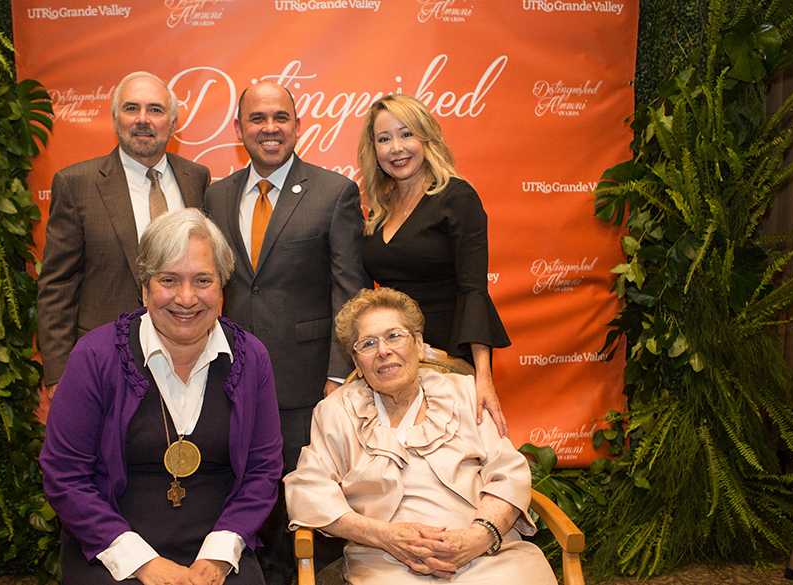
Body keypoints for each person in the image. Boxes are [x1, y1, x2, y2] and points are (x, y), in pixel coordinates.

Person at [40, 209, 283, 585]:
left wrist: (219, 555)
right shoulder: (95, 356)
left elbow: (263, 470)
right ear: (144, 286)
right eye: (169, 280)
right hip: (112, 549)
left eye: (203, 280)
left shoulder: (252, 358)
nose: (186, 298)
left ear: (222, 289)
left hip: (218, 547)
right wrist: (143, 563)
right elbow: (65, 475)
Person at [204, 81, 373, 585]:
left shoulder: (334, 191)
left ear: (298, 125)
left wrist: (339, 375)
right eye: (257, 119)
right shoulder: (216, 194)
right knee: (241, 498)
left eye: (281, 117)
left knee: (308, 506)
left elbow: (350, 290)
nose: (269, 128)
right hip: (230, 378)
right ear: (239, 129)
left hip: (305, 386)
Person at [284, 288, 555, 584]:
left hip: (483, 554)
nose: (383, 350)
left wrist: (478, 538)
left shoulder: (464, 392)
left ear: (419, 343)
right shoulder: (336, 412)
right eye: (368, 344)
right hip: (388, 561)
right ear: (357, 363)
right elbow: (309, 490)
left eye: (394, 336)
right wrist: (385, 536)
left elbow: (507, 473)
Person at [38, 71, 211, 400]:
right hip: (105, 365)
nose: (143, 119)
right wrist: (59, 375)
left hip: (188, 361)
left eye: (156, 110)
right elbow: (57, 287)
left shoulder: (197, 178)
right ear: (115, 118)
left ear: (173, 123)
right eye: (132, 108)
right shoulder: (77, 184)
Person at [356, 93, 511, 436]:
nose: (396, 148)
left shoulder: (456, 197)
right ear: (374, 150)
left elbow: (473, 290)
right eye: (384, 139)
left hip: (445, 358)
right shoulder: (379, 209)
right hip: (394, 356)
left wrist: (482, 378)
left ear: (426, 138)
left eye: (406, 133)